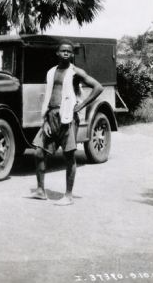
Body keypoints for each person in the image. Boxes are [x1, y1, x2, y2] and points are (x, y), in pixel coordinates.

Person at [32, 40, 103, 206]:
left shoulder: (75, 72)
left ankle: (68, 195)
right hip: (51, 117)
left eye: (69, 52)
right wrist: (46, 119)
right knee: (38, 153)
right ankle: (41, 190)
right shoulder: (51, 72)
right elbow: (48, 95)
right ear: (57, 53)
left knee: (69, 156)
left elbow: (98, 87)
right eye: (63, 51)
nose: (66, 53)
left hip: (68, 117)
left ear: (72, 55)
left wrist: (82, 105)